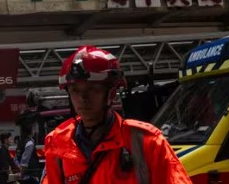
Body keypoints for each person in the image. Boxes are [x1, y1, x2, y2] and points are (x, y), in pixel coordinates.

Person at [42, 46, 191, 184]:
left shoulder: (147, 142)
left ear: (112, 93)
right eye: (75, 90)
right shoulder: (57, 144)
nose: (83, 98)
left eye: (93, 89)